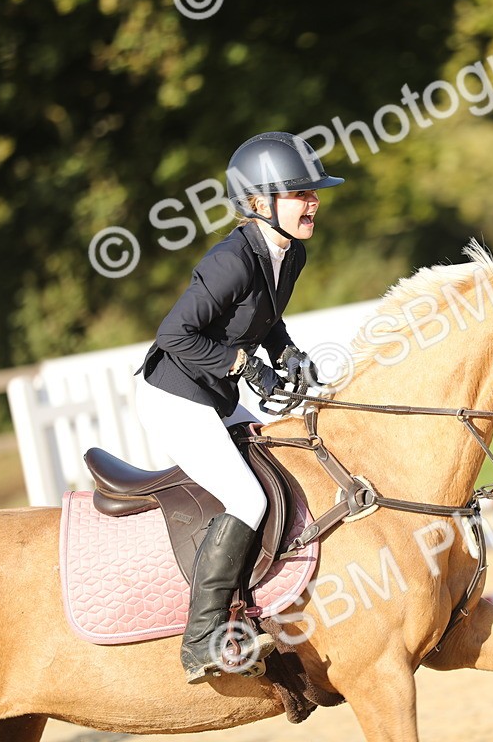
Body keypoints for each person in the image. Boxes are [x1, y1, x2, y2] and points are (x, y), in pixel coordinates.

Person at [133, 131, 342, 683]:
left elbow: (266, 317)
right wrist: (241, 364)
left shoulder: (290, 251)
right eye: (300, 193)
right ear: (259, 203)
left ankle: (257, 603)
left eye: (313, 192)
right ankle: (201, 639)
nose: (313, 200)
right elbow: (174, 334)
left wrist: (286, 352)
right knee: (247, 497)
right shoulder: (230, 260)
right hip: (174, 398)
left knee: (284, 458)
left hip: (213, 396)